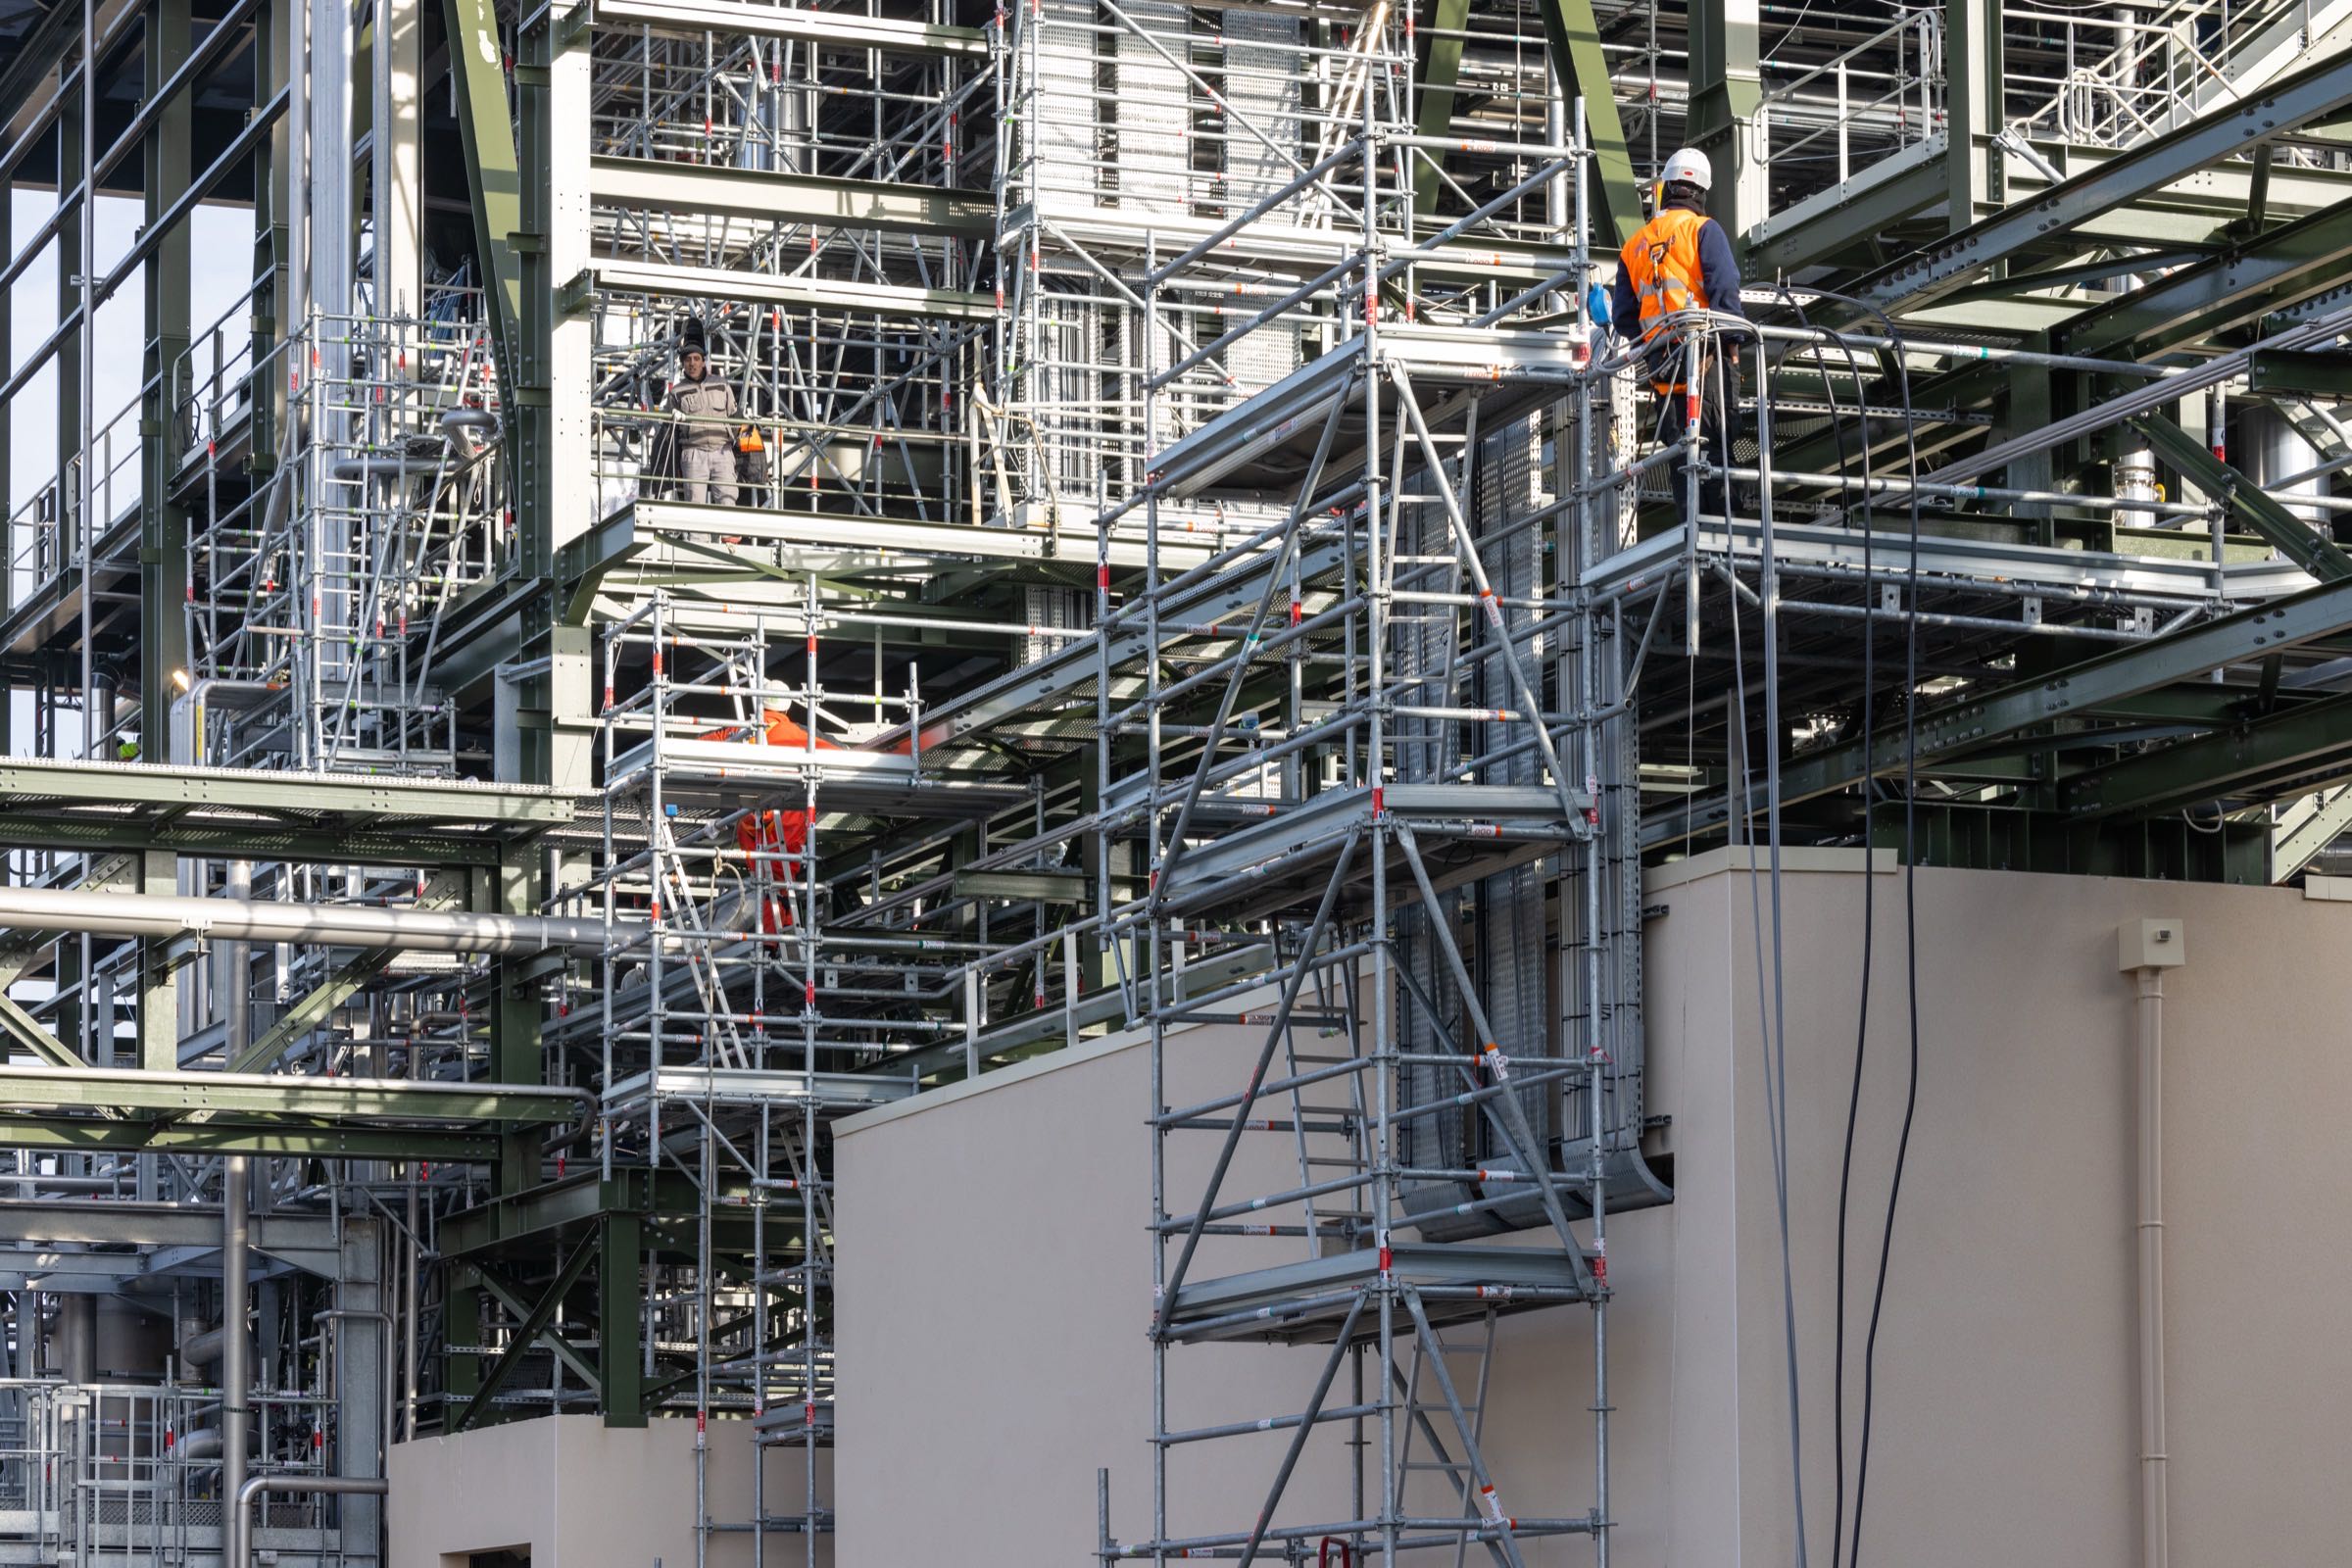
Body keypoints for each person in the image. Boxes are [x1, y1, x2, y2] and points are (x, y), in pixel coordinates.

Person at [1608, 147, 1746, 525]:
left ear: (1665, 188)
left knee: (1682, 454)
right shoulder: (1703, 230)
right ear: (1701, 192)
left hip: (1664, 370)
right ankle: (1725, 536)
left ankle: (1692, 531)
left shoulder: (1634, 246)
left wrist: (1655, 341)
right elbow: (1725, 291)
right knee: (1715, 445)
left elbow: (1624, 317)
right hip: (1707, 360)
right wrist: (1733, 343)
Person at [666, 337, 739, 506]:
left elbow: (734, 416)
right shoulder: (677, 392)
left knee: (728, 503)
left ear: (703, 362)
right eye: (688, 360)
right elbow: (669, 427)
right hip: (693, 452)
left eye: (696, 359)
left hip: (722, 450)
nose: (692, 363)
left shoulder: (721, 384)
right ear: (683, 364)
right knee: (694, 505)